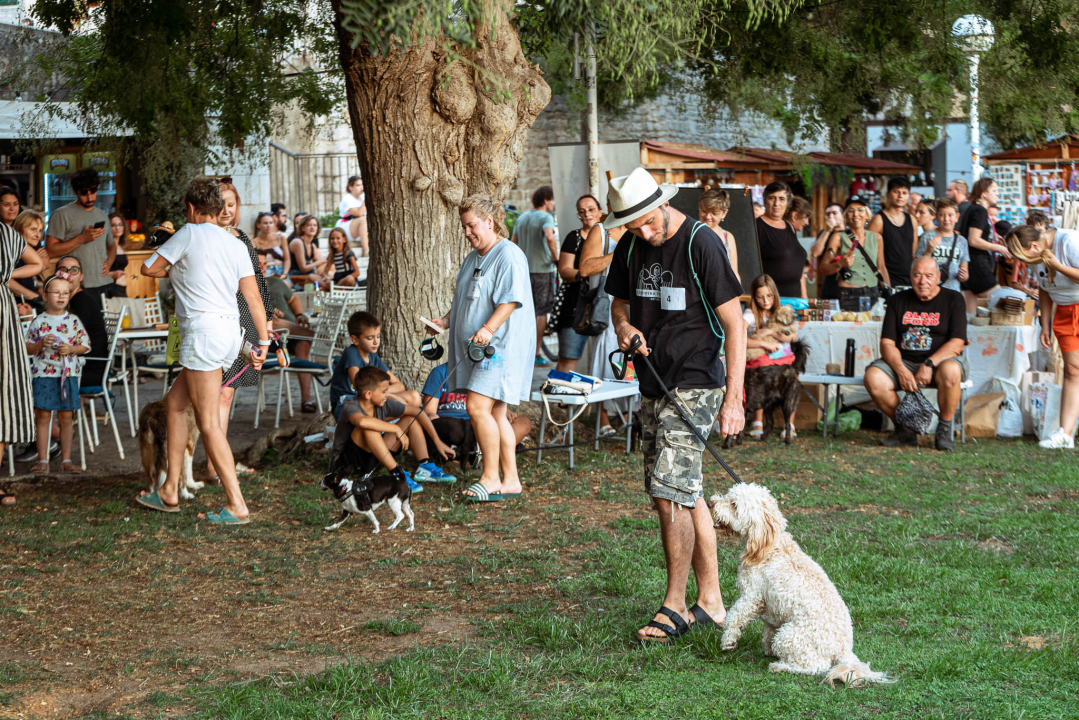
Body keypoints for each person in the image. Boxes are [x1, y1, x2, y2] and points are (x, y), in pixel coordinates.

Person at [601, 167, 745, 642]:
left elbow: (736, 324)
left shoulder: (702, 242)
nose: (643, 232)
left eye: (648, 221)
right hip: (652, 382)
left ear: (663, 204)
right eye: (633, 226)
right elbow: (619, 306)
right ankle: (713, 602)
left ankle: (675, 605)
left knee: (668, 492)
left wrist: (734, 398)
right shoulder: (629, 245)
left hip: (698, 380)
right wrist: (624, 329)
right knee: (683, 490)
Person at [138, 177, 270, 523]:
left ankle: (236, 503)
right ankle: (169, 489)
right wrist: (263, 341)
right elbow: (254, 298)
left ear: (193, 209)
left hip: (203, 334)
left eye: (187, 210)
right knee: (175, 404)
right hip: (229, 333)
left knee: (209, 424)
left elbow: (147, 268)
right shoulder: (235, 243)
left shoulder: (188, 232)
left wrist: (174, 259)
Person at [427, 195, 536, 502]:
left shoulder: (508, 255)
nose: (467, 233)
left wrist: (488, 329)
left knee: (476, 407)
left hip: (499, 349)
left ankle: (489, 478)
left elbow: (510, 301)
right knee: (497, 413)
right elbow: (465, 298)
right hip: (478, 347)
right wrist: (445, 321)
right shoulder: (473, 257)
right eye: (464, 227)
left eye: (471, 225)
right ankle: (511, 480)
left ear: (489, 221)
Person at [206, 179, 274, 482]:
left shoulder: (241, 237)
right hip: (217, 320)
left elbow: (258, 282)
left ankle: (216, 464)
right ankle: (215, 464)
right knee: (214, 393)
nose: (225, 210)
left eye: (231, 204)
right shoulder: (203, 237)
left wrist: (267, 321)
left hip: (245, 321)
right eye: (220, 203)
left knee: (226, 395)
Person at [864, 256, 968, 451]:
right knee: (873, 377)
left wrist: (929, 364)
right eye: (917, 275)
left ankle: (944, 429)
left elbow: (957, 342)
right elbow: (887, 343)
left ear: (938, 277)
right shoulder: (897, 301)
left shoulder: (953, 299)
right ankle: (906, 429)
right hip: (904, 362)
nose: (923, 281)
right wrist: (901, 370)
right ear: (910, 277)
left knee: (952, 371)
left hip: (940, 363)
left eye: (929, 276)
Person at [1005, 225, 1079, 449]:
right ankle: (1065, 434)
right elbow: (1045, 287)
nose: (1025, 263)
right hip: (1065, 312)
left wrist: (1059, 267)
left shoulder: (1067, 242)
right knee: (1072, 371)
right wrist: (1044, 324)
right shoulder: (1037, 255)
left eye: (1024, 257)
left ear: (1035, 246)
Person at [333, 367, 458, 495]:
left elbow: (417, 412)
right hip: (348, 464)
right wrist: (395, 428)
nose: (387, 395)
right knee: (370, 427)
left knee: (410, 418)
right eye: (384, 391)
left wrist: (438, 442)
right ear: (368, 394)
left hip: (374, 457)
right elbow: (362, 422)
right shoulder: (351, 404)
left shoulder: (383, 403)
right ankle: (398, 475)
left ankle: (425, 466)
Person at [25, 274, 90, 474]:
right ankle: (43, 460)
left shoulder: (73, 321)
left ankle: (67, 460)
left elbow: (85, 346)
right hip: (43, 374)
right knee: (43, 416)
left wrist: (71, 349)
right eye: (56, 293)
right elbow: (26, 347)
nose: (61, 297)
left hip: (68, 375)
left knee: (66, 417)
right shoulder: (38, 321)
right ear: (45, 296)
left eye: (65, 293)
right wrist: (39, 345)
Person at [1, 221, 45, 506]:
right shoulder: (5, 232)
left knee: (3, 397)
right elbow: (37, 263)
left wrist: (5, 274)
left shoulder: (5, 233)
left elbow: (37, 263)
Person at [578, 200, 626, 435]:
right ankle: (603, 418)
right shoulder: (601, 230)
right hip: (606, 303)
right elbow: (584, 268)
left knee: (630, 360)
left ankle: (625, 417)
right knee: (605, 357)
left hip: (634, 303)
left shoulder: (639, 227)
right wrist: (619, 253)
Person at [420, 361, 532, 459]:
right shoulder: (440, 372)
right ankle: (476, 452)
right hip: (450, 425)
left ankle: (488, 454)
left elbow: (493, 407)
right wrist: (431, 416)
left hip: (478, 424)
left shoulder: (485, 373)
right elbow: (429, 411)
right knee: (446, 424)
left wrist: (503, 412)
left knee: (523, 422)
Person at [330, 311, 420, 421]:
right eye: (369, 338)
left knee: (414, 397)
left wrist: (384, 393)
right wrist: (390, 396)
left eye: (378, 336)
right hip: (348, 403)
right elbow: (361, 388)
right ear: (355, 339)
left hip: (372, 399)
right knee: (406, 410)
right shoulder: (351, 353)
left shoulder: (373, 357)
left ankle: (385, 422)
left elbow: (399, 385)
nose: (376, 342)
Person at [45, 168, 114, 306]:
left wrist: (109, 262)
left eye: (93, 191)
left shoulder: (102, 215)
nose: (90, 198)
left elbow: (112, 246)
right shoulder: (61, 214)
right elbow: (50, 251)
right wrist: (81, 238)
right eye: (84, 193)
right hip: (75, 287)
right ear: (75, 192)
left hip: (102, 284)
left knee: (99, 327)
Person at [742, 274, 797, 437]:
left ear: (775, 294)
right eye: (760, 297)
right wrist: (764, 343)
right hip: (759, 358)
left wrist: (772, 332)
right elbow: (739, 338)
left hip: (781, 356)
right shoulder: (751, 314)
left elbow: (793, 337)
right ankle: (757, 421)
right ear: (754, 297)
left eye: (769, 296)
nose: (765, 301)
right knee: (761, 373)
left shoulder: (781, 311)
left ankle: (789, 424)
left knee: (793, 376)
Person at [511, 186, 558, 366]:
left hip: (523, 271)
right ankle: (535, 353)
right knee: (541, 313)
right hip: (542, 270)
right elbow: (549, 236)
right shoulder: (546, 217)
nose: (553, 204)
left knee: (522, 312)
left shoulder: (522, 218)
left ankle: (520, 351)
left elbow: (513, 242)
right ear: (546, 200)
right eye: (552, 200)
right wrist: (555, 256)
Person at [553, 194, 600, 372]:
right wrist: (588, 274)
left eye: (591, 209)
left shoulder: (610, 237)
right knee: (568, 358)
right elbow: (564, 270)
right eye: (582, 211)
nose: (587, 214)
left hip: (603, 305)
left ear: (600, 211)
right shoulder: (574, 237)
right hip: (576, 305)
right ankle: (559, 400)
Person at [818, 195, 890, 311]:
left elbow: (881, 267)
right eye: (851, 211)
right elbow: (823, 268)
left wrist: (889, 292)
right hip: (848, 295)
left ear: (867, 214)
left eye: (860, 210)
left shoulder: (877, 238)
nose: (856, 214)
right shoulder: (838, 237)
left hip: (873, 294)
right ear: (846, 216)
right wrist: (840, 264)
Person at [958, 177, 1011, 314]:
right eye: (994, 190)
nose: (998, 194)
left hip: (968, 264)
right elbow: (973, 240)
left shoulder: (972, 209)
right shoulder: (979, 211)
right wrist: (999, 247)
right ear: (984, 194)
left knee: (970, 315)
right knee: (1004, 305)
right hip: (977, 264)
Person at [55, 255, 109, 392]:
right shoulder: (66, 301)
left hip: (88, 369)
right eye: (63, 270)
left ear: (81, 276)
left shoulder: (82, 301)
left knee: (35, 375)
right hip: (75, 364)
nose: (68, 274)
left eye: (74, 270)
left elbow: (67, 337)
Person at [755, 181, 807, 298]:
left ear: (787, 203)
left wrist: (805, 300)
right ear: (764, 201)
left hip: (795, 299)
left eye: (782, 199)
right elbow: (750, 269)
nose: (776, 203)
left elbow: (799, 269)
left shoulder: (789, 227)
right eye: (772, 198)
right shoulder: (756, 227)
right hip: (771, 300)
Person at [868, 176, 916, 288]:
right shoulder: (879, 220)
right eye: (896, 192)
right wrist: (884, 282)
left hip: (909, 280)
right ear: (888, 194)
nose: (900, 196)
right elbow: (867, 252)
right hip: (886, 279)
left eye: (904, 193)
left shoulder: (912, 220)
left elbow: (913, 253)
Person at [915, 197, 969, 292]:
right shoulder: (927, 237)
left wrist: (963, 276)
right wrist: (928, 251)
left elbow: (965, 274)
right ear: (936, 216)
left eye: (950, 215)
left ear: (957, 217)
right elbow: (916, 266)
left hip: (953, 292)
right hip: (930, 292)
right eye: (942, 215)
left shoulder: (962, 241)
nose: (946, 219)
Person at [697, 188, 741, 285]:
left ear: (724, 213)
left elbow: (734, 273)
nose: (708, 216)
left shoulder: (728, 237)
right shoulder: (690, 234)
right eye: (704, 211)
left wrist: (737, 297)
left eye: (714, 213)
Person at [7, 209, 48, 311]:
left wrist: (39, 286)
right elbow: (6, 279)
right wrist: (35, 297)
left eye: (40, 230)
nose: (38, 235)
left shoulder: (31, 251)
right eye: (33, 229)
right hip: (18, 307)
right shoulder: (12, 252)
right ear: (20, 230)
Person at [288, 214, 329, 290]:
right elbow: (303, 268)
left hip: (308, 275)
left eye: (315, 225)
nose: (312, 227)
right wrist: (319, 262)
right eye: (309, 225)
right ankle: (332, 288)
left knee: (326, 265)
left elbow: (320, 264)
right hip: (295, 276)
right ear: (303, 228)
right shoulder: (298, 242)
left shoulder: (312, 245)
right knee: (313, 276)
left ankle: (329, 286)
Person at [809, 202, 844, 286]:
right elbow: (814, 253)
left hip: (846, 282)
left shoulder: (849, 234)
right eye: (828, 214)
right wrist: (827, 231)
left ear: (843, 216)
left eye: (834, 213)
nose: (831, 216)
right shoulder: (823, 233)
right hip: (828, 281)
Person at [335, 175, 369, 256]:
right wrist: (368, 198)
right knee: (363, 219)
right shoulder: (347, 198)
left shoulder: (362, 197)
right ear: (350, 187)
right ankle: (366, 250)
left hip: (361, 227)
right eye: (358, 185)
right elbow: (359, 213)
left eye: (362, 185)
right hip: (346, 226)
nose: (361, 187)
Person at [252, 211, 290, 278]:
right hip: (266, 272)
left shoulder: (281, 238)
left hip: (282, 271)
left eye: (271, 223)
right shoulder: (254, 242)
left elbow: (287, 259)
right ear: (258, 225)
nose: (268, 226)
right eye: (265, 223)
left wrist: (285, 274)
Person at [105, 213, 130, 298]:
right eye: (113, 225)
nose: (117, 228)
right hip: (111, 288)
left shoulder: (121, 246)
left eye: (120, 225)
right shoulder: (106, 248)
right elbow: (97, 272)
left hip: (122, 288)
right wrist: (112, 274)